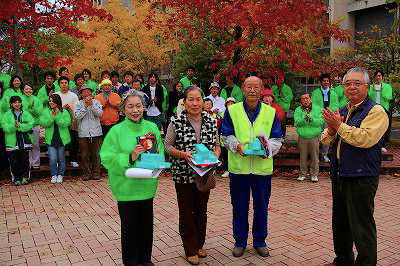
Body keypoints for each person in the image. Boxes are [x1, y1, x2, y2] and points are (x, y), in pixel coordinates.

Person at [321, 67, 388, 266]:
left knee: (362, 226)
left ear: (367, 87)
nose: (351, 87)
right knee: (340, 223)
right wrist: (333, 128)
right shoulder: (342, 110)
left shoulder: (376, 111)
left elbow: (365, 139)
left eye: (357, 83)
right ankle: (343, 260)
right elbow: (325, 138)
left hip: (362, 176)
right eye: (347, 83)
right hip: (340, 174)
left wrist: (338, 126)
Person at [221, 76, 283, 258]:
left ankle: (260, 241)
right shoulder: (232, 111)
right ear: (243, 88)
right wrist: (236, 146)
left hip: (261, 169)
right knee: (239, 206)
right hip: (239, 168)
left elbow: (277, 139)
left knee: (262, 206)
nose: (253, 90)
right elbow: (225, 136)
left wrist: (268, 149)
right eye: (249, 87)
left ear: (262, 89)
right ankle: (239, 241)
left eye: (256, 87)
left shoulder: (270, 113)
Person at [100, 91, 163, 266]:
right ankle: (131, 262)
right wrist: (131, 156)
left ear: (144, 107)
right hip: (126, 189)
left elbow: (160, 151)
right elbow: (106, 157)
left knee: (146, 229)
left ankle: (146, 260)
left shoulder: (152, 128)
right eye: (130, 106)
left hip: (147, 187)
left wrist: (159, 162)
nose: (135, 110)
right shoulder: (116, 131)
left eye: (138, 106)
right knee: (129, 230)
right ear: (123, 109)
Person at [165, 85, 220, 265]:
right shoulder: (176, 121)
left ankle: (199, 243)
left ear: (204, 101)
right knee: (186, 211)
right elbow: (167, 147)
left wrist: (215, 156)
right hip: (183, 174)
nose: (195, 103)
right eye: (191, 99)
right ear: (184, 102)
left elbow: (217, 145)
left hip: (204, 174)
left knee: (202, 210)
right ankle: (190, 248)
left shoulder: (211, 121)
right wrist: (183, 154)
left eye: (198, 99)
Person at [1, 96, 34, 185]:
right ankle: (16, 178)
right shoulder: (6, 115)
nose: (17, 104)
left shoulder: (26, 113)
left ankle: (25, 177)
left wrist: (19, 125)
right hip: (12, 143)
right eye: (15, 102)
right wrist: (14, 126)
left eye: (19, 102)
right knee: (14, 162)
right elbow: (5, 128)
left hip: (25, 142)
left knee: (25, 160)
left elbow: (30, 125)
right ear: (11, 104)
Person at [40, 94, 71, 184]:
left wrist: (57, 116)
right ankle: (54, 175)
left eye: (53, 100)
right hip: (51, 139)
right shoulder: (46, 111)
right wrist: (52, 117)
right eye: (50, 100)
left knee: (61, 158)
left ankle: (60, 175)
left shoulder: (64, 112)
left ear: (57, 101)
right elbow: (44, 123)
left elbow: (66, 123)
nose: (51, 102)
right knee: (53, 158)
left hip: (62, 139)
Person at [75, 86, 103, 181]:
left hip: (96, 132)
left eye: (88, 91)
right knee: (84, 154)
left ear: (91, 93)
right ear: (81, 94)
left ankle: (96, 173)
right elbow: (77, 116)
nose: (87, 93)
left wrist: (92, 105)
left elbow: (99, 114)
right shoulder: (78, 104)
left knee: (96, 154)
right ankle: (86, 173)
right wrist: (85, 106)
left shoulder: (96, 102)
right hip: (83, 133)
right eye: (84, 92)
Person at [294, 93, 324, 182]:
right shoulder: (298, 110)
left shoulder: (318, 109)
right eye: (303, 99)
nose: (305, 100)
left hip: (314, 136)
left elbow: (321, 121)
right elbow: (297, 123)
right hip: (302, 136)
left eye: (307, 98)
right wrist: (304, 119)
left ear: (310, 99)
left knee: (314, 157)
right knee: (302, 157)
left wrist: (311, 119)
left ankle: (314, 174)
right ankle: (303, 174)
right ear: (301, 101)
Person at [311, 73, 339, 163]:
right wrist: (322, 111)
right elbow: (314, 104)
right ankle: (314, 156)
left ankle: (324, 154)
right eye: (324, 81)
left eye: (327, 81)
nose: (326, 82)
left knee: (326, 136)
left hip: (328, 117)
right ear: (321, 82)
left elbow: (335, 105)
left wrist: (329, 111)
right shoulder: (315, 93)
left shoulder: (333, 93)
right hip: (318, 117)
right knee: (316, 137)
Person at [56, 76, 80, 168]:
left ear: (68, 84)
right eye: (62, 83)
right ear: (59, 84)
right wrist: (62, 109)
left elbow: (77, 109)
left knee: (73, 140)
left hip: (72, 121)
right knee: (60, 141)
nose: (64, 84)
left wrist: (70, 109)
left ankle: (73, 159)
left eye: (65, 83)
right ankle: (60, 160)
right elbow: (52, 108)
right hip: (60, 121)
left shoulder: (73, 95)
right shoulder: (56, 95)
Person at [368, 70, 393, 152]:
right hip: (373, 109)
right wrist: (375, 90)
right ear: (374, 77)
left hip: (384, 108)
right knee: (373, 126)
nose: (378, 77)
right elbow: (368, 97)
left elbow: (388, 97)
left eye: (380, 76)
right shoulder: (370, 87)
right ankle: (373, 144)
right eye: (377, 76)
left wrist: (381, 90)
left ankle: (382, 145)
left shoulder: (387, 86)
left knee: (384, 127)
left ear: (382, 77)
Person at [21, 84, 43, 169]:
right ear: (23, 90)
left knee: (35, 144)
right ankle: (27, 163)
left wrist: (32, 109)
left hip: (35, 125)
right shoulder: (20, 99)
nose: (28, 91)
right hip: (24, 125)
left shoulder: (36, 99)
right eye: (26, 89)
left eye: (30, 89)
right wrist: (28, 109)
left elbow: (39, 113)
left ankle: (36, 163)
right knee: (25, 145)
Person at [220, 97, 236, 178]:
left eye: (232, 103)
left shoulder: (237, 114)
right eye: (228, 103)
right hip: (224, 139)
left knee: (233, 154)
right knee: (225, 155)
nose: (230, 105)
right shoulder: (223, 114)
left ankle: (232, 170)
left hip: (234, 138)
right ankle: (226, 170)